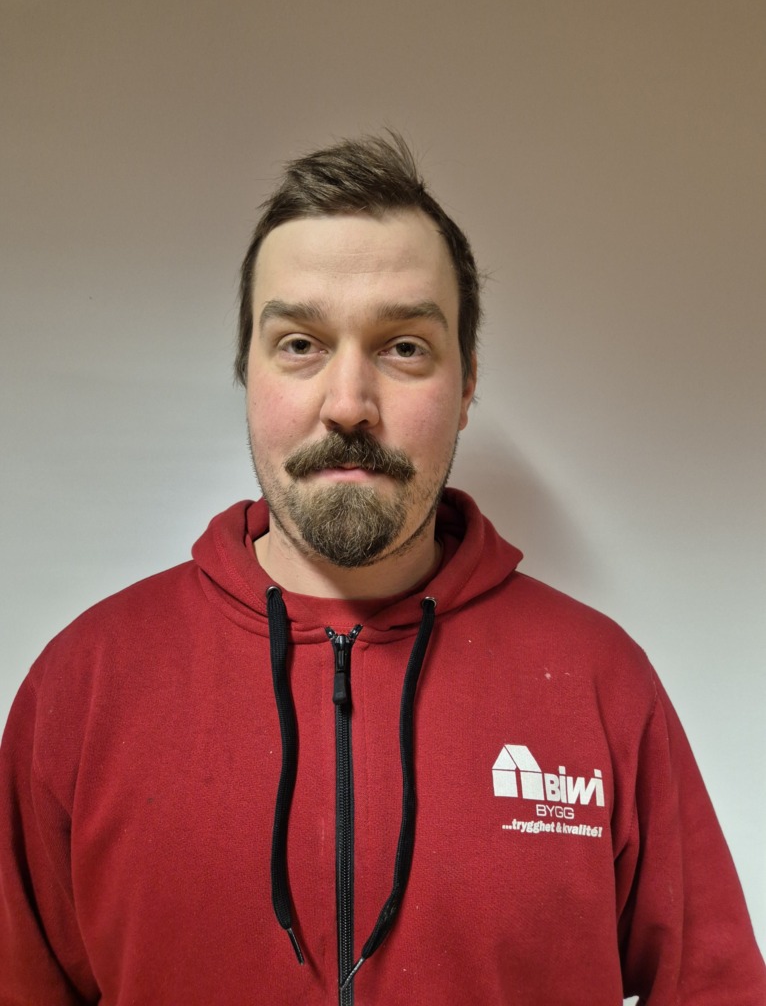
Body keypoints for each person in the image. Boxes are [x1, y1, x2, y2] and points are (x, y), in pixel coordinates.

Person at [1, 133, 763, 1006]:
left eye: (403, 347)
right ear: (246, 372)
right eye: (300, 343)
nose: (349, 404)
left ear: (467, 384)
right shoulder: (87, 686)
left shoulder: (601, 685)